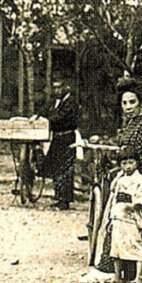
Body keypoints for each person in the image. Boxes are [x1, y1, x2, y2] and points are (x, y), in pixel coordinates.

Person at [81, 86, 142, 283]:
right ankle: (112, 267)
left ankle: (117, 271)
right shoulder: (132, 123)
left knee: (124, 223)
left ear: (141, 103)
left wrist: (128, 176)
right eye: (124, 103)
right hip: (127, 175)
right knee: (114, 221)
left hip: (138, 179)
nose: (127, 107)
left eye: (132, 102)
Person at [106, 148, 142, 283]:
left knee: (134, 246)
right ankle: (117, 276)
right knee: (116, 248)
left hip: (131, 218)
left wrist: (133, 205)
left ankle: (139, 277)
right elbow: (114, 199)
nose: (127, 166)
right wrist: (111, 217)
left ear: (136, 163)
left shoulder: (141, 180)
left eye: (131, 162)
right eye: (124, 163)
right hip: (119, 218)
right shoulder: (120, 181)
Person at [36, 82, 78, 210]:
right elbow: (44, 110)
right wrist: (37, 116)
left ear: (67, 87)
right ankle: (58, 196)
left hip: (67, 137)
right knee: (55, 166)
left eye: (59, 87)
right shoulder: (56, 101)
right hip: (58, 137)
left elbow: (61, 116)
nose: (57, 90)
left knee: (65, 169)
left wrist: (47, 120)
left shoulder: (71, 102)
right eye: (54, 88)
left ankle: (64, 201)